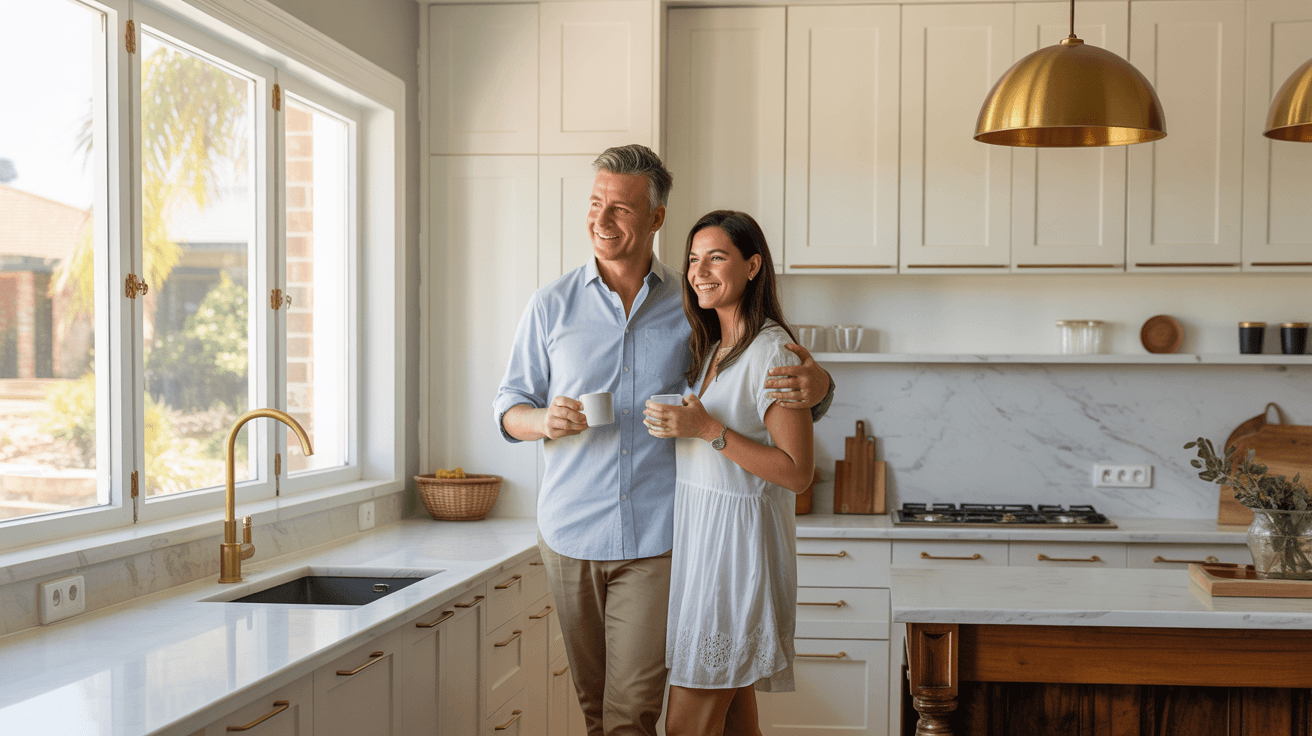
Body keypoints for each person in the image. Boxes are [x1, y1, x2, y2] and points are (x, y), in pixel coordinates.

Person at [493, 144, 834, 736]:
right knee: (598, 710)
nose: (601, 221)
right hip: (571, 532)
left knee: (632, 714)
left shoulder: (693, 306)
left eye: (620, 209)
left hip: (661, 539)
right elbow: (507, 408)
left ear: (656, 217)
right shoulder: (551, 306)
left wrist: (823, 384)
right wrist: (541, 421)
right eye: (595, 204)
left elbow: (759, 380)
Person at [642, 210, 813, 736]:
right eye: (693, 259)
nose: (700, 271)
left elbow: (797, 472)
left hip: (738, 560)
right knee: (739, 726)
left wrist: (707, 430)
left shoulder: (772, 351)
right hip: (706, 552)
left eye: (717, 257)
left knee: (685, 727)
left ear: (753, 265)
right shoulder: (715, 348)